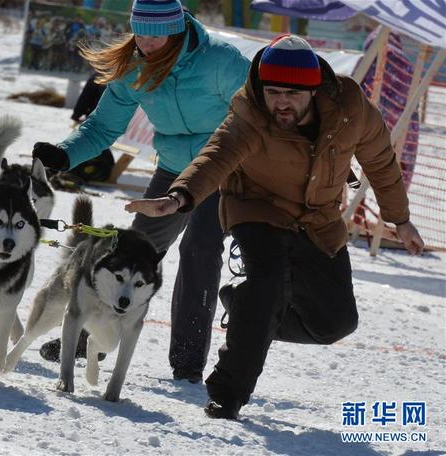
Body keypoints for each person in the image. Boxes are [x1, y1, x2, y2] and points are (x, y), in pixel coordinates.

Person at [126, 35, 424, 418]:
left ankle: (245, 307)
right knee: (266, 283)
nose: (281, 102)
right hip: (257, 208)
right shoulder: (250, 113)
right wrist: (178, 197)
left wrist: (400, 219)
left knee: (335, 323)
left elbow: (381, 162)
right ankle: (227, 394)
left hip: (318, 218)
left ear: (314, 91)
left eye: (292, 94)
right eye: (273, 92)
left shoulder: (350, 109)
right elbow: (217, 155)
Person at [32, 0, 250, 383]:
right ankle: (90, 338)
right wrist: (64, 156)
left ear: (177, 27)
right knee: (132, 253)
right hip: (172, 169)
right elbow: (102, 127)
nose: (145, 42)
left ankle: (187, 363)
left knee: (199, 249)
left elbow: (258, 116)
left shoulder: (220, 61)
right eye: (139, 32)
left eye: (155, 34)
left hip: (223, 170)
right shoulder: (134, 65)